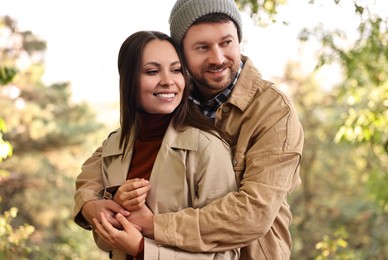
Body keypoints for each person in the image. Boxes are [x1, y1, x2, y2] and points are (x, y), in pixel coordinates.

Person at [73, 0, 305, 259]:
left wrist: (151, 226)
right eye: (202, 47)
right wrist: (90, 204)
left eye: (227, 43)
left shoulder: (273, 110)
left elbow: (254, 213)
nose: (218, 58)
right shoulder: (172, 95)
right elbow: (102, 161)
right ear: (181, 52)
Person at [77, 30, 240, 259]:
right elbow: (103, 237)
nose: (168, 81)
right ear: (129, 80)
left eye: (176, 70)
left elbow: (226, 252)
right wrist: (115, 208)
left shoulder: (208, 147)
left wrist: (143, 250)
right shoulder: (114, 145)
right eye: (152, 71)